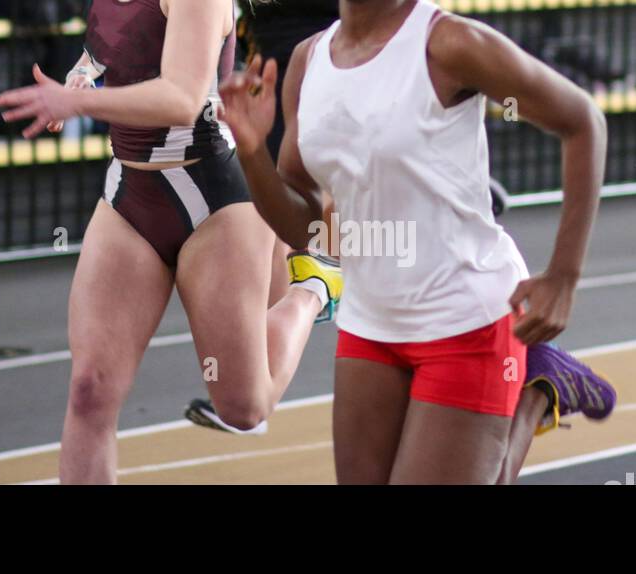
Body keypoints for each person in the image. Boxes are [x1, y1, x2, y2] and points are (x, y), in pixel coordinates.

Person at [220, 0, 612, 483]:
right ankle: (528, 390)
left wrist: (564, 276)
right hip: (370, 323)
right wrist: (253, 151)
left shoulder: (448, 43)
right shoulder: (307, 61)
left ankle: (532, 393)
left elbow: (582, 121)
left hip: (468, 318)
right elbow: (307, 229)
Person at [0, 0, 342, 484]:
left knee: (244, 409)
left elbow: (180, 97)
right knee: (90, 390)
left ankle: (315, 288)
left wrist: (78, 103)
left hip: (215, 198)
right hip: (130, 194)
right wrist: (80, 76)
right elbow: (109, 45)